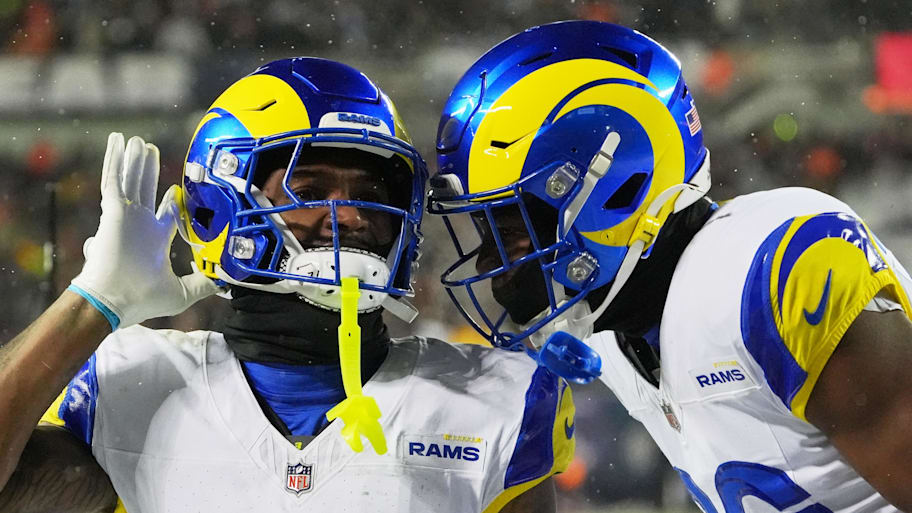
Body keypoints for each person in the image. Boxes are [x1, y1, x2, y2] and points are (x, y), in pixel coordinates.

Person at [0, 57, 574, 513]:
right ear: (220, 205)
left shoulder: (491, 401)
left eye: (371, 193)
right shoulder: (131, 386)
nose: (351, 216)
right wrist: (92, 302)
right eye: (311, 189)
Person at [427, 20, 912, 512]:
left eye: (510, 228)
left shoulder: (774, 273)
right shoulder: (613, 334)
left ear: (614, 192)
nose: (491, 263)